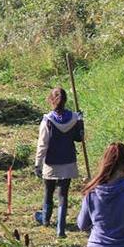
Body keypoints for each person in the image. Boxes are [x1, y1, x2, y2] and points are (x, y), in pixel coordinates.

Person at [34, 87, 84, 238]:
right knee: (63, 194)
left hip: (51, 163)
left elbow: (43, 144)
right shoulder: (74, 118)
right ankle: (60, 230)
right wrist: (80, 122)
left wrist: (38, 164)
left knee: (48, 192)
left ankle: (45, 220)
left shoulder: (48, 121)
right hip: (68, 161)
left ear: (51, 100)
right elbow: (79, 138)